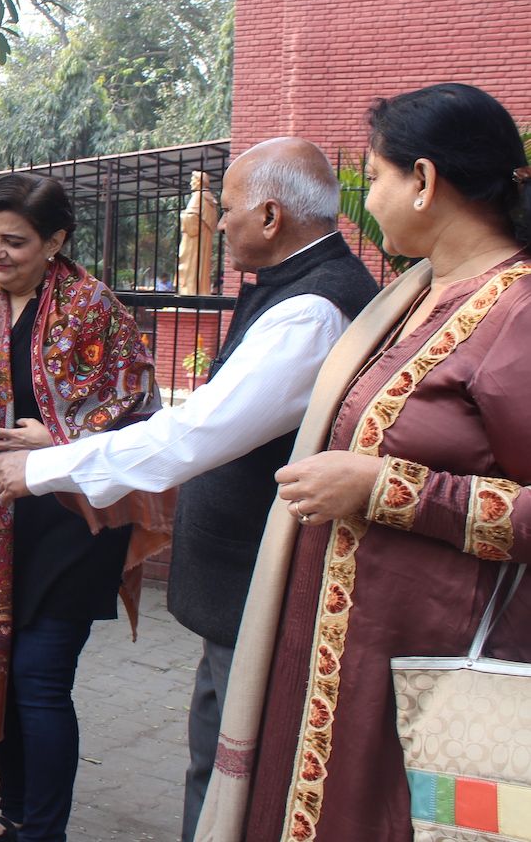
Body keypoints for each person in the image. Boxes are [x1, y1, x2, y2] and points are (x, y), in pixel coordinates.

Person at [0, 138, 379, 842]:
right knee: (217, 752)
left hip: (184, 550)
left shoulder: (307, 310)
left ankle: (41, 826)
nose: (216, 225)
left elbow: (183, 433)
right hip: (212, 573)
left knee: (228, 762)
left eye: (230, 209)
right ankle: (22, 815)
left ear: (271, 216)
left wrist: (47, 463)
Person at [196, 83, 531, 842]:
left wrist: (389, 488)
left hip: (437, 674)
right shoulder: (420, 295)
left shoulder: (515, 312)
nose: (366, 201)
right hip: (344, 659)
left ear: (424, 180)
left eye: (374, 178)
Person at [0, 173, 174, 842]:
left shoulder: (92, 309)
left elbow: (141, 408)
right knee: (0, 668)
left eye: (15, 241)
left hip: (72, 522)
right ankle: (14, 814)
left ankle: (42, 832)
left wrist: (60, 436)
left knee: (38, 679)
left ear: (55, 241)